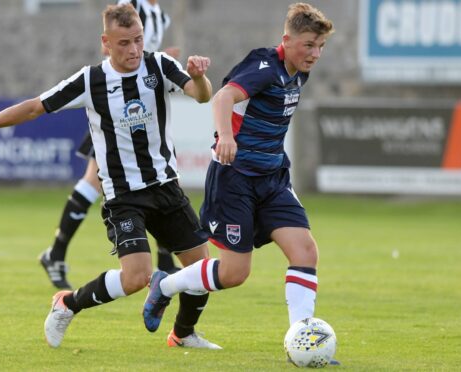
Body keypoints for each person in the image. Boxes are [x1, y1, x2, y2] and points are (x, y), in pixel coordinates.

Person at [0, 4, 220, 349]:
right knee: (137, 277)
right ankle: (67, 304)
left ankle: (183, 335)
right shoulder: (91, 80)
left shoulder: (159, 65)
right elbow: (35, 106)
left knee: (201, 271)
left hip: (166, 186)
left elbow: (201, 96)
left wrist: (198, 76)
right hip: (124, 196)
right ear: (105, 42)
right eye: (124, 43)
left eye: (138, 40)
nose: (134, 50)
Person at [142, 2, 338, 361]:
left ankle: (303, 342)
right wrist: (225, 136)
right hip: (236, 179)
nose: (315, 53)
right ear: (287, 39)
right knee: (234, 273)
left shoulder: (299, 72)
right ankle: (165, 284)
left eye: (320, 47)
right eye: (309, 44)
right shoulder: (264, 65)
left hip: (273, 178)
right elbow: (223, 96)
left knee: (305, 251)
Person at [39, 0, 181, 290]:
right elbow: (111, 48)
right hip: (117, 111)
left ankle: (164, 264)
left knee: (156, 177)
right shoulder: (129, 6)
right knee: (95, 182)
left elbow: (144, 59)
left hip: (143, 112)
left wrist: (159, 58)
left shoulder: (161, 17)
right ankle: (56, 253)